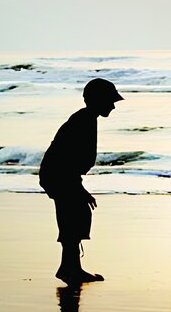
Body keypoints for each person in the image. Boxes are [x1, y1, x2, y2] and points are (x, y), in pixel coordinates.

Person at [39, 77, 123, 284]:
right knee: (73, 216)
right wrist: (78, 189)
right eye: (110, 101)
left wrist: (78, 186)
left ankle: (71, 267)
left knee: (76, 215)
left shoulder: (86, 118)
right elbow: (65, 161)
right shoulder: (82, 121)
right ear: (98, 100)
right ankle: (69, 269)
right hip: (59, 175)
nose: (113, 106)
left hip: (61, 174)